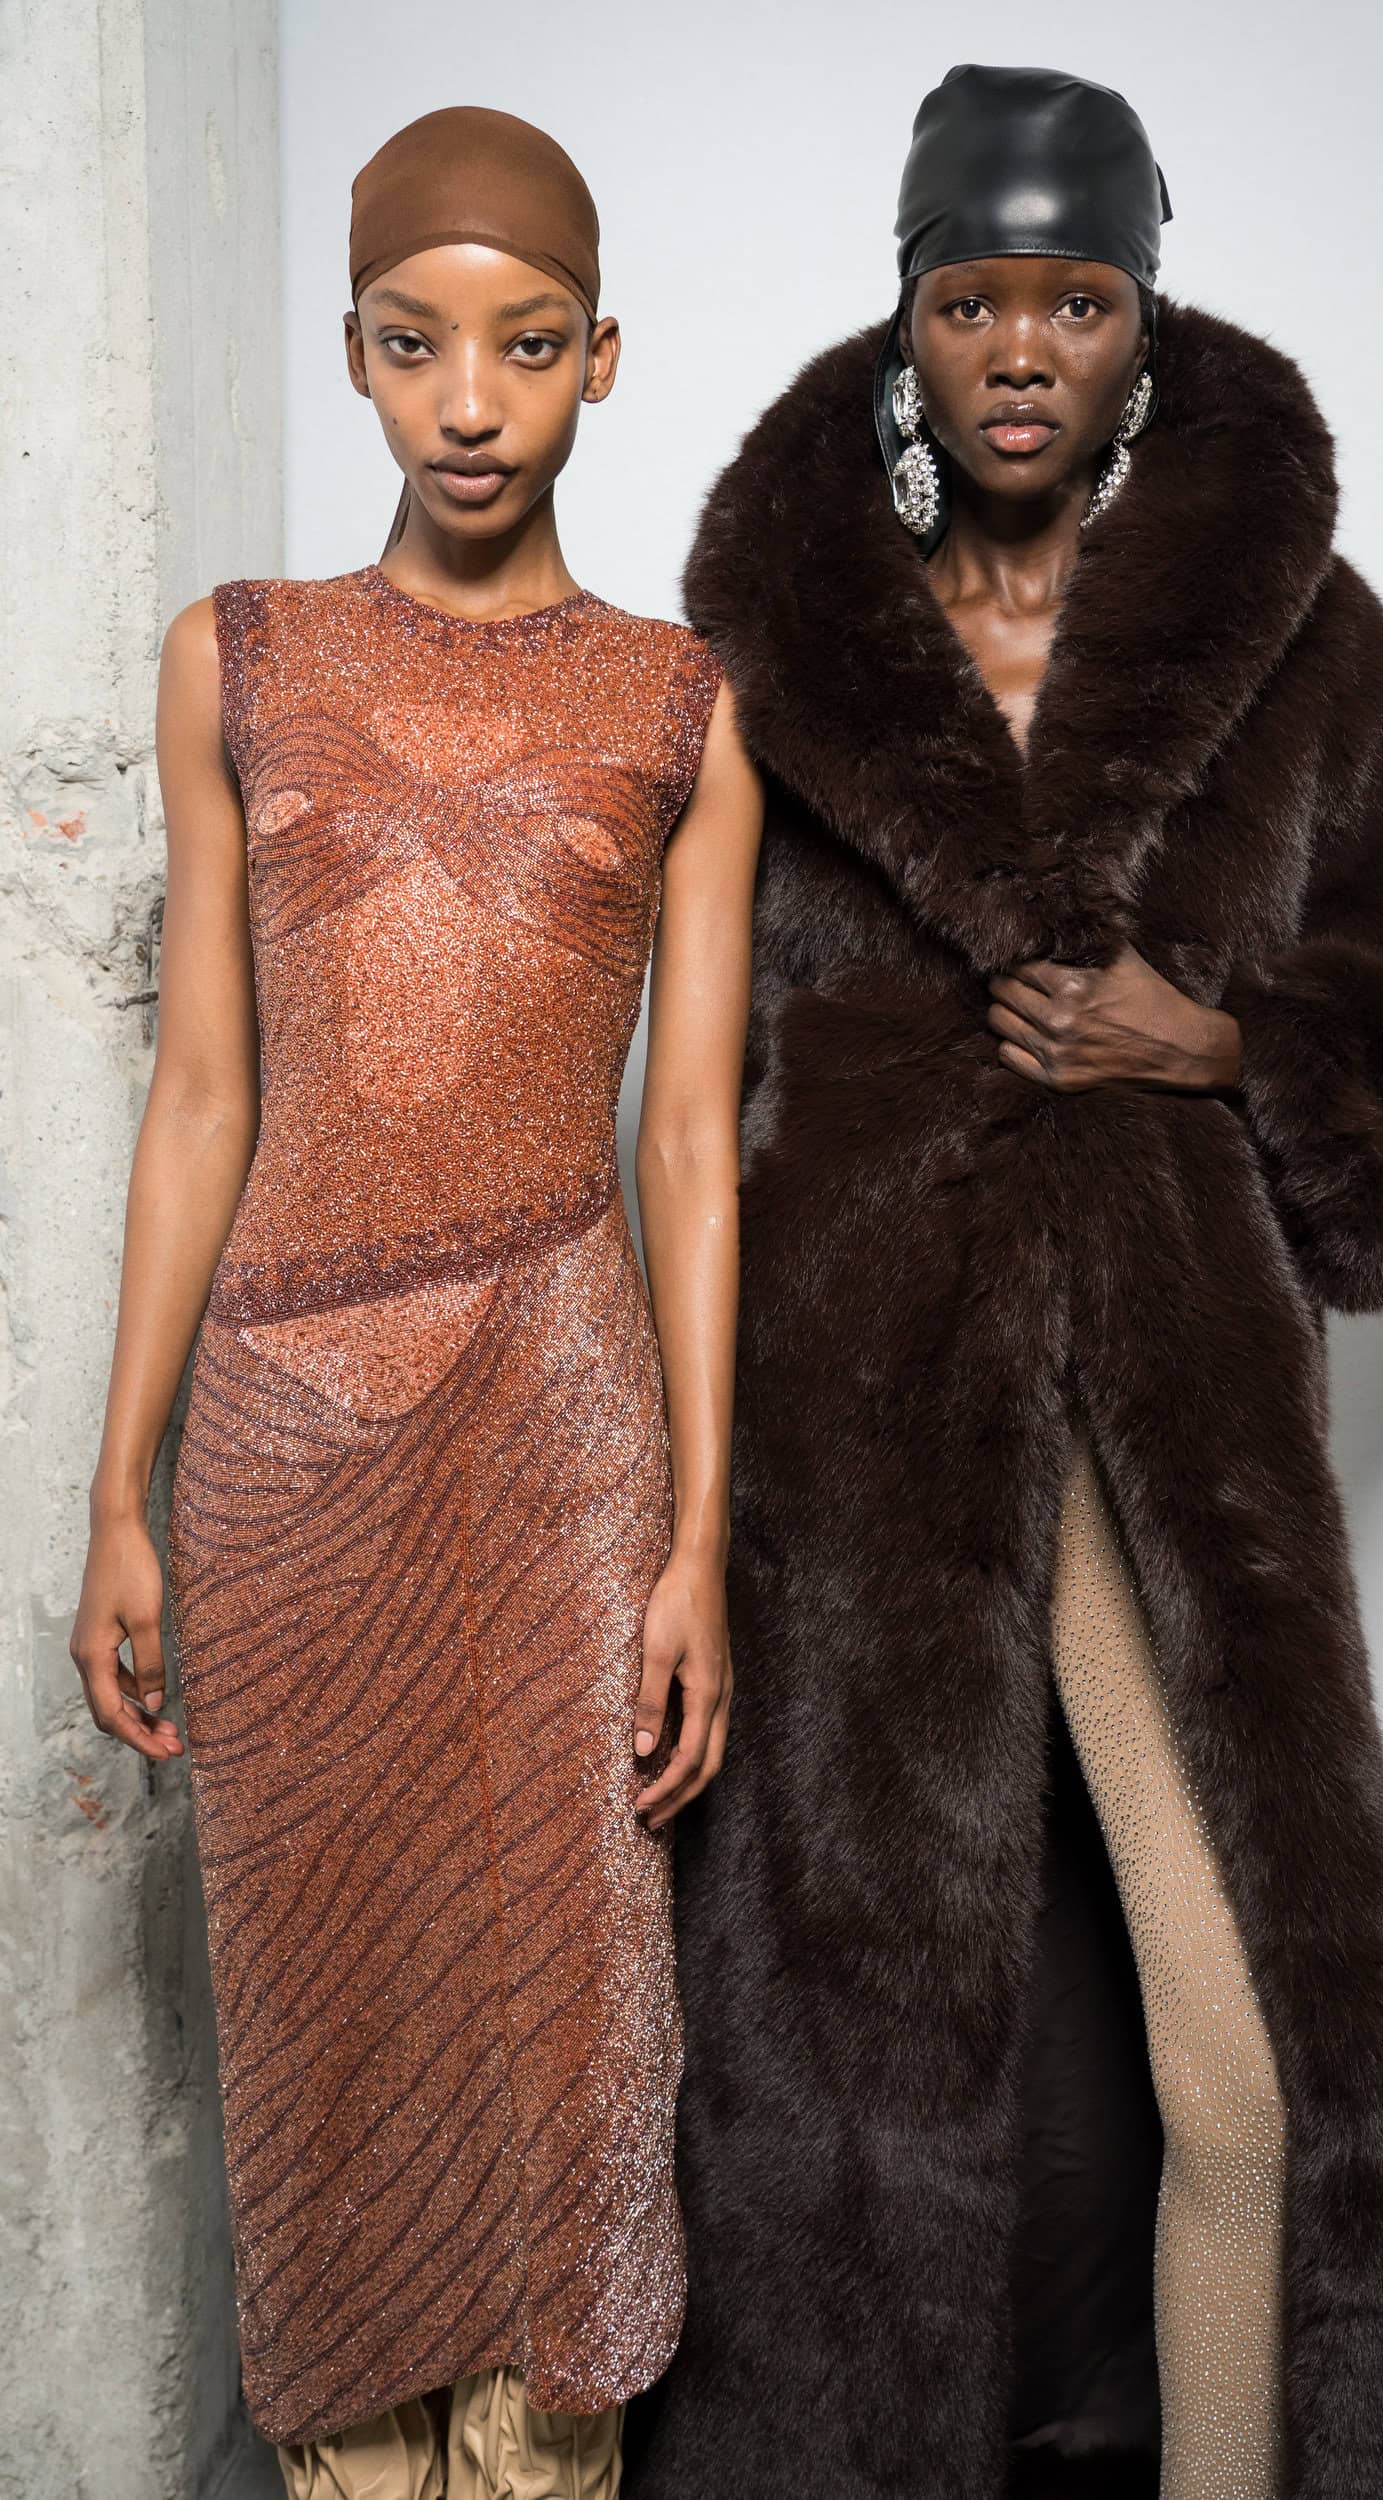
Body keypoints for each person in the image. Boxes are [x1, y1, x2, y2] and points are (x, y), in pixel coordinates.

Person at [626, 64, 1383, 2500]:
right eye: (970, 298)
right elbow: (690, 1079)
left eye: (1074, 298)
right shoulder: (773, 656)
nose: (1019, 347)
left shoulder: (1288, 631)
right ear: (903, 318)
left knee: (1251, 2061)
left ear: (1142, 318)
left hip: (1171, 1411)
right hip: (854, 1415)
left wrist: (1217, 1038)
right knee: (848, 2059)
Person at [69, 105, 762, 2500]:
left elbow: (690, 1144)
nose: (470, 401)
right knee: (330, 2015)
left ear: (601, 358)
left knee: (570, 2030)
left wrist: (697, 1530)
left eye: (525, 345)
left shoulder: (684, 702)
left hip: (564, 1434)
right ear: (354, 354)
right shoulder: (238, 661)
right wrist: (120, 1485)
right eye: (414, 343)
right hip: (281, 1452)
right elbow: (199, 1097)